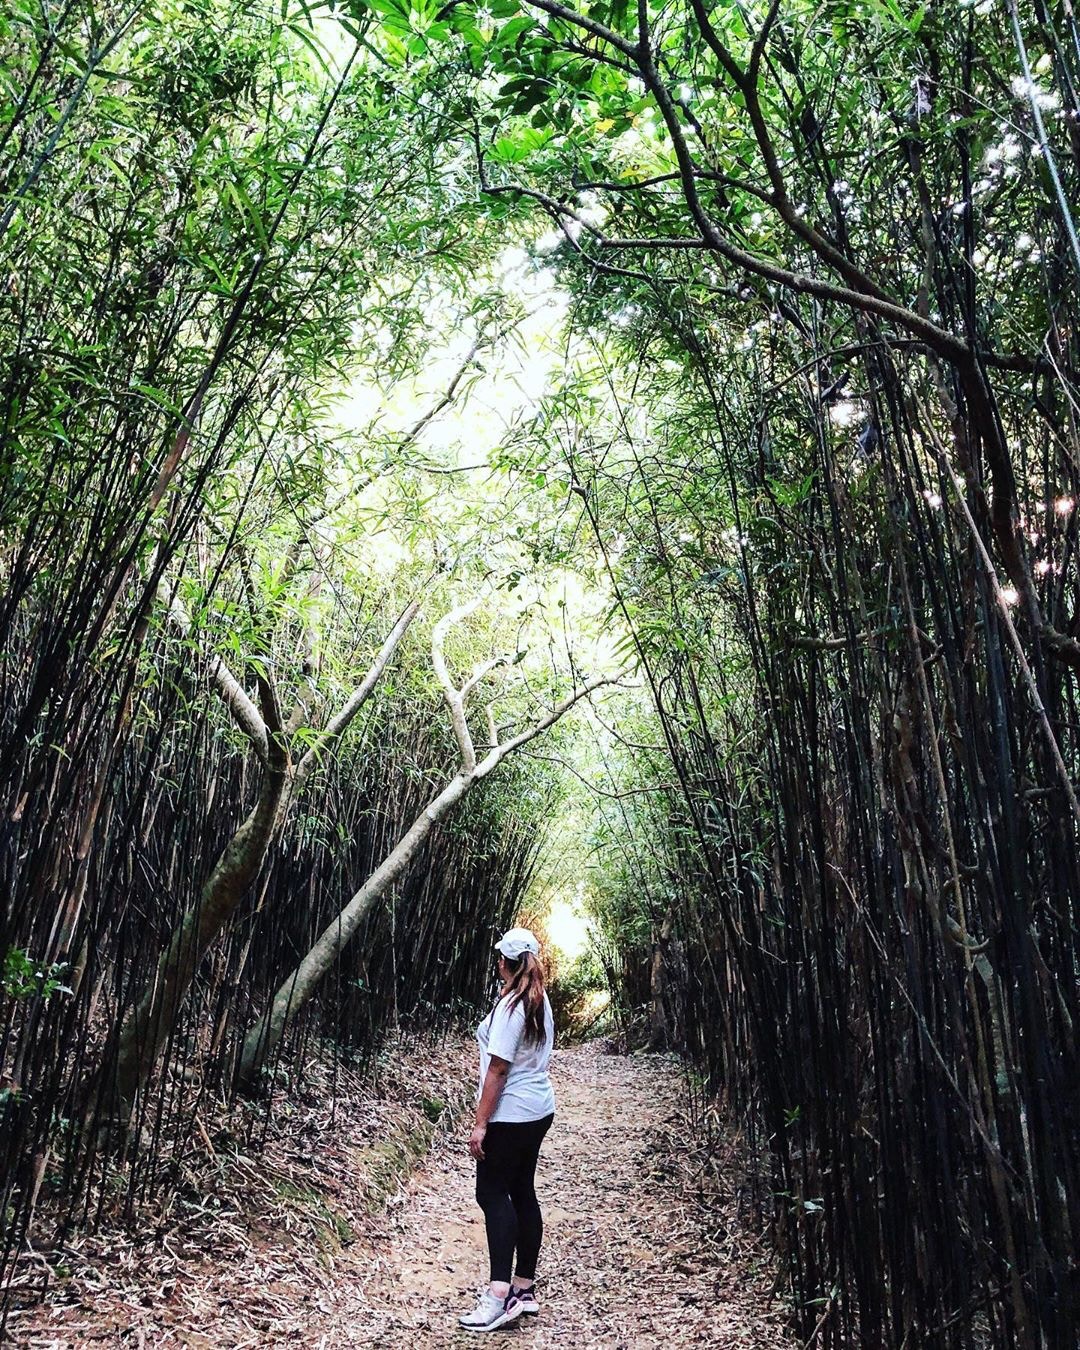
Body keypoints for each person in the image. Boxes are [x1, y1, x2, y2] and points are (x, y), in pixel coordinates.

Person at [458, 926, 556, 1332]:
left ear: (509, 963)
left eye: (500, 957)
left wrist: (481, 1122)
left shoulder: (514, 1005)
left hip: (511, 1113)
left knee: (492, 1192)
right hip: (538, 1109)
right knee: (521, 1190)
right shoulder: (538, 999)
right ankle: (522, 1288)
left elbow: (498, 1069)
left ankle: (498, 1296)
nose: (496, 961)